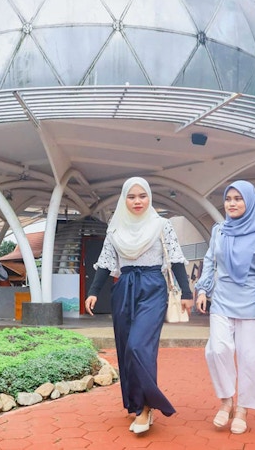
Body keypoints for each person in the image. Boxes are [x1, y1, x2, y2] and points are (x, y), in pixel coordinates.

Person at [84, 177, 193, 434]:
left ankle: (147, 408)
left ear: (149, 198)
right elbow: (106, 261)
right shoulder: (115, 227)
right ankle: (136, 403)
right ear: (124, 199)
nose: (137, 201)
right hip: (124, 287)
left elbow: (176, 260)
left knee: (138, 346)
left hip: (153, 287)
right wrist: (94, 291)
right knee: (126, 348)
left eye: (142, 196)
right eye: (131, 197)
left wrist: (186, 292)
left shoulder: (162, 225)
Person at [194, 180, 255, 435]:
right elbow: (210, 260)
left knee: (253, 357)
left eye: (238, 198)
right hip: (223, 300)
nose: (232, 203)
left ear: (249, 202)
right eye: (228, 198)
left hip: (254, 303)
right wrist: (203, 289)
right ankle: (227, 401)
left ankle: (244, 409)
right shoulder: (219, 231)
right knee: (217, 349)